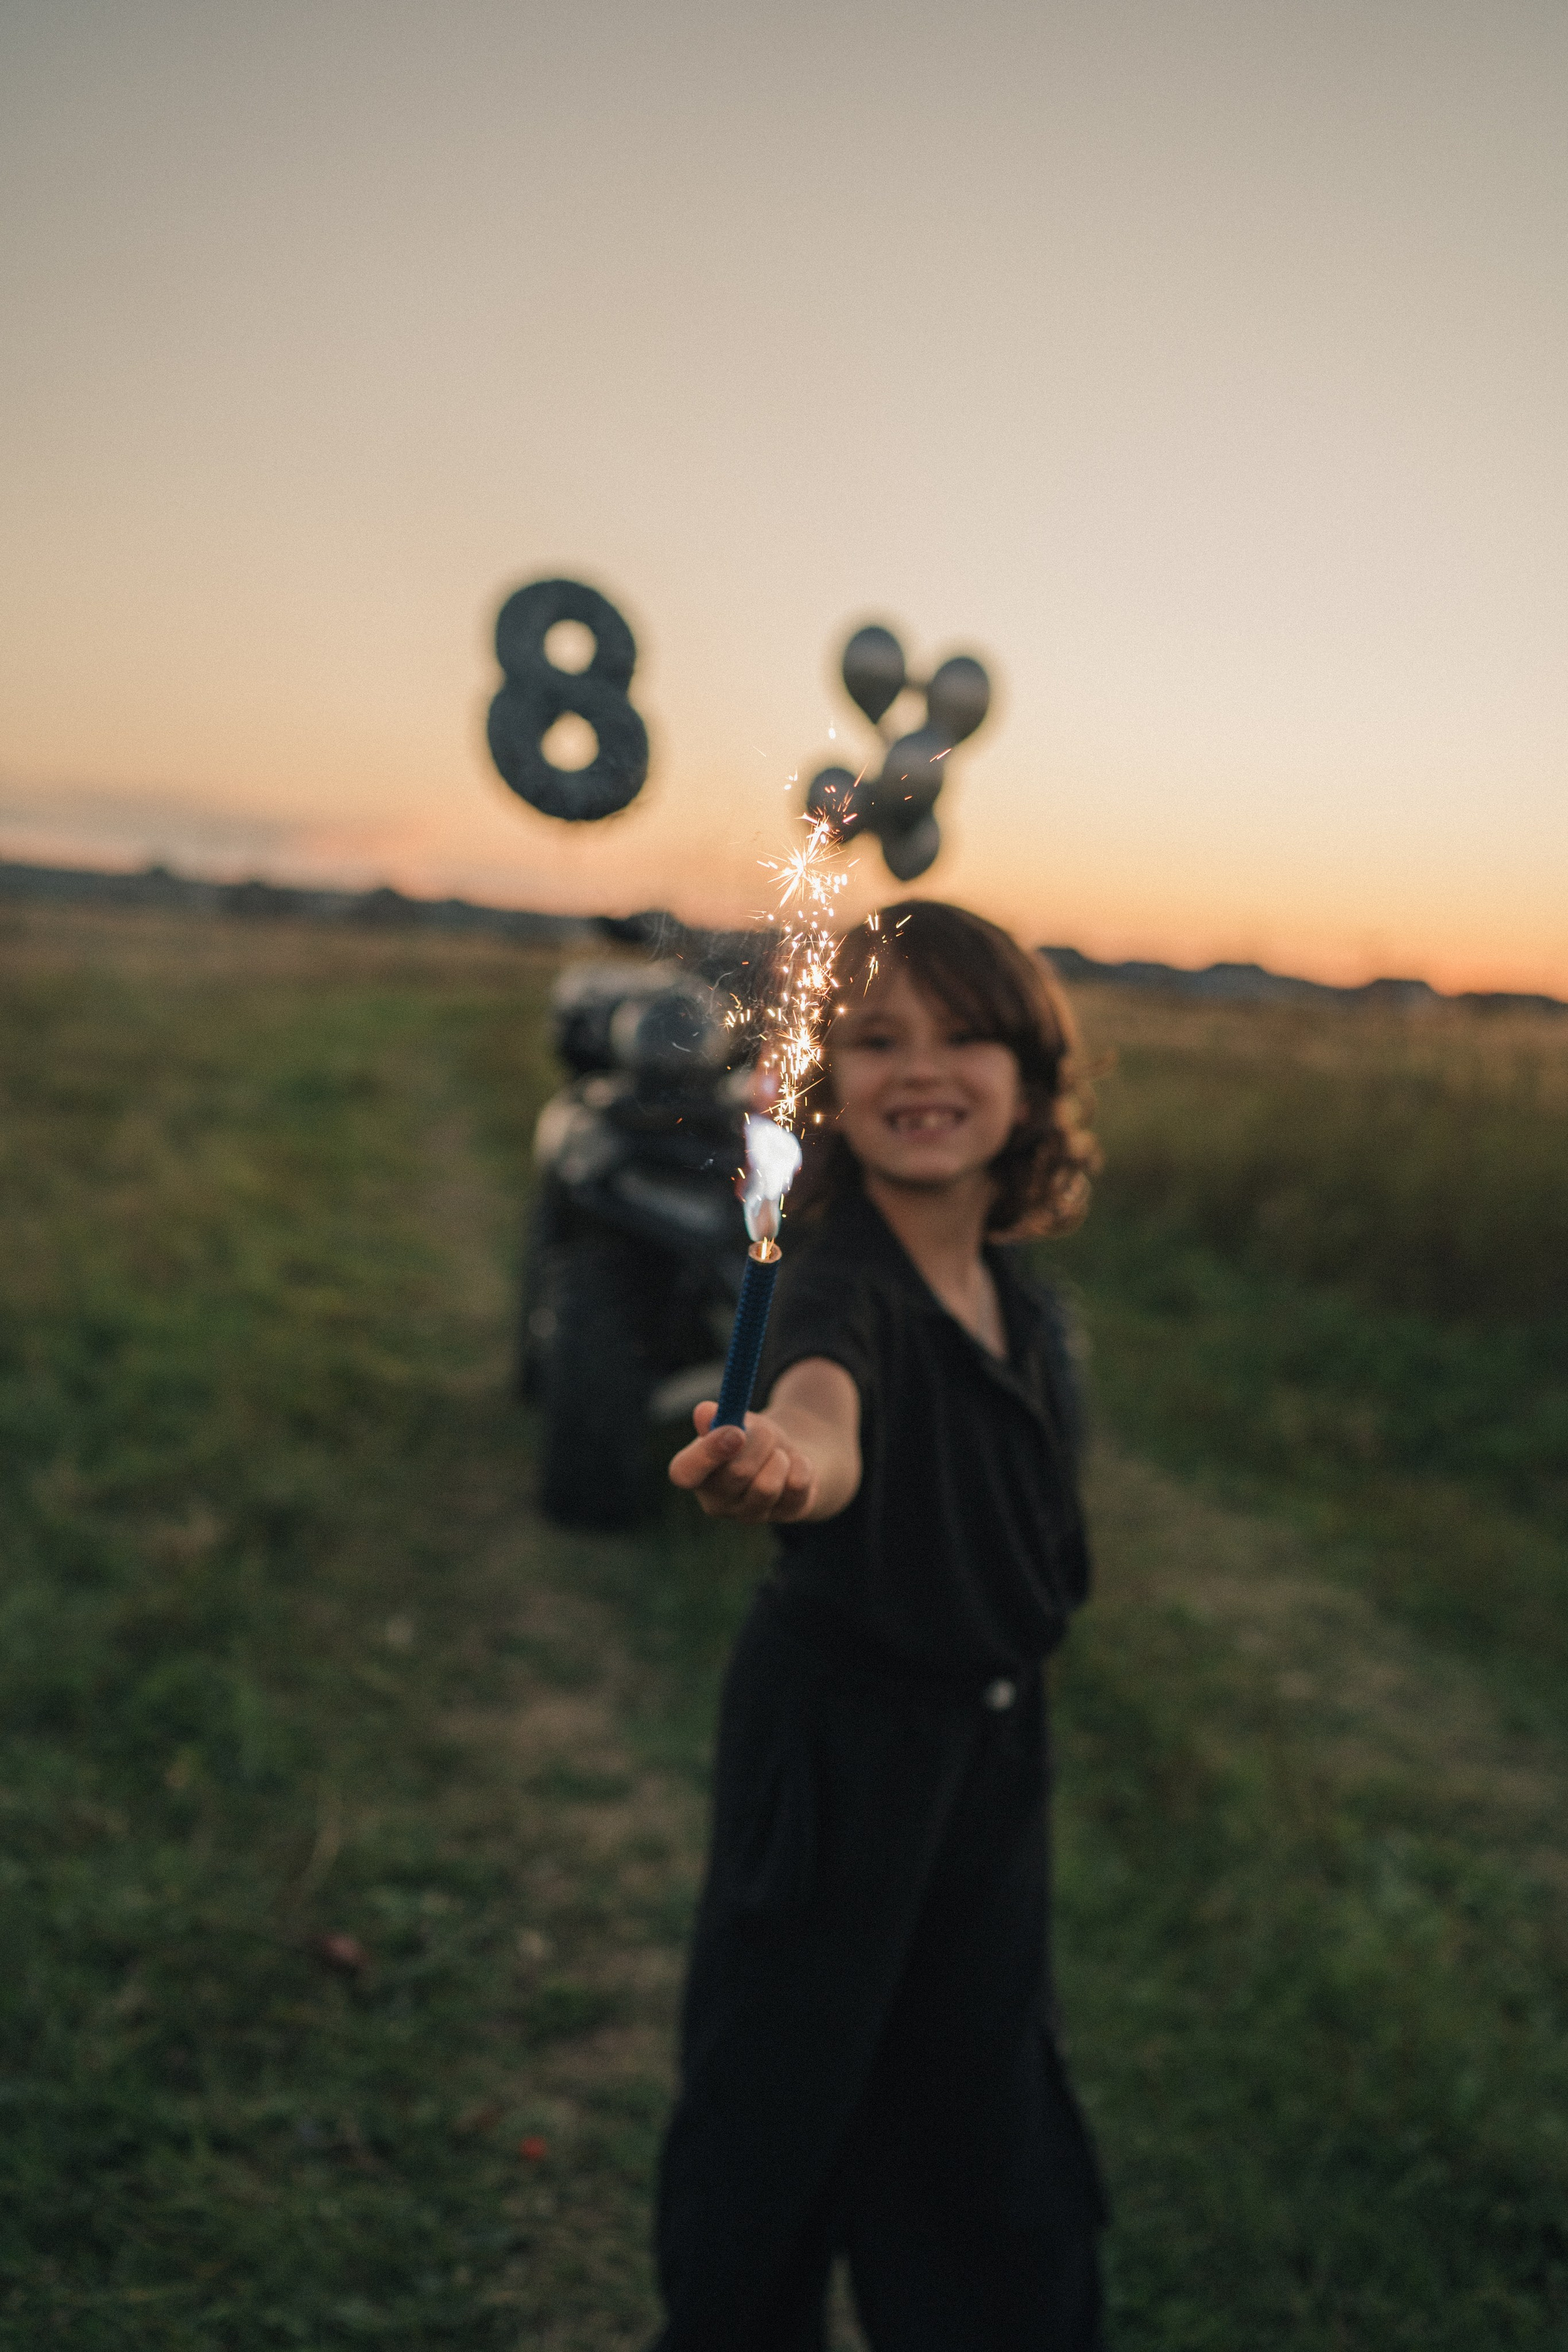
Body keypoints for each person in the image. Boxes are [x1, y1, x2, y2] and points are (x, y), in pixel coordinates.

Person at [656, 900, 1107, 2352]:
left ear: (1027, 1077)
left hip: (991, 1759)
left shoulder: (1015, 1297)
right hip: (838, 1764)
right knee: (778, 2109)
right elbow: (817, 1410)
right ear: (823, 1086)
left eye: (962, 1036)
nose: (920, 1068)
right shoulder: (834, 1281)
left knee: (983, 2101)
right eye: (871, 1039)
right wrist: (787, 1466)